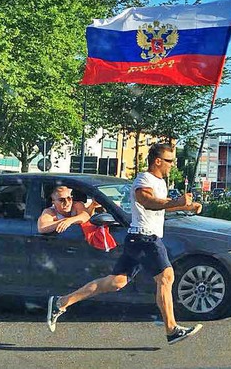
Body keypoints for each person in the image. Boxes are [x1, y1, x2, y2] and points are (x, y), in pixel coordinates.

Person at [46, 143, 204, 345]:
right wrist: (176, 202)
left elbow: (158, 208)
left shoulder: (160, 182)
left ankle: (61, 302)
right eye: (169, 161)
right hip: (145, 239)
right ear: (158, 161)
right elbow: (147, 201)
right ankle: (172, 329)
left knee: (116, 282)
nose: (172, 165)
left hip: (138, 239)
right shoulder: (143, 180)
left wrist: (186, 206)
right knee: (166, 277)